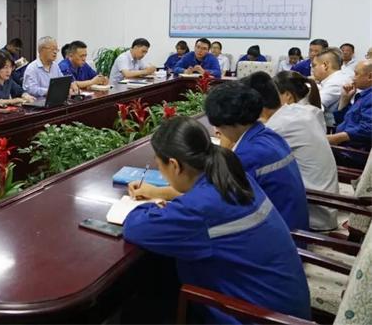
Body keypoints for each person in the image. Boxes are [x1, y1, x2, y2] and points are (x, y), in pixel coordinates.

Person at [123, 117, 310, 324]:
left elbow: (135, 227)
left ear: (174, 165)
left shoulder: (199, 209)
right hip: (286, 309)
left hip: (257, 317)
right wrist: (163, 197)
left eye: (159, 166)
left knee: (143, 302)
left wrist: (152, 206)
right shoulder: (233, 176)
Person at [204, 81, 309, 231]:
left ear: (225, 123)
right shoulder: (270, 135)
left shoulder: (247, 155)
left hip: (280, 232)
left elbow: (219, 199)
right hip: (291, 221)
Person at [242, 72, 339, 231]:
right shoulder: (300, 111)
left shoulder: (280, 126)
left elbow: (245, 154)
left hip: (313, 209)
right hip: (323, 201)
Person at [327, 60, 372, 164]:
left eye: (356, 74)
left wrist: (335, 138)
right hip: (345, 148)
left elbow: (368, 129)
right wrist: (345, 99)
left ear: (370, 76)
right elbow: (345, 121)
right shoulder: (364, 95)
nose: (353, 78)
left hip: (353, 153)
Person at [312, 49, 349, 127]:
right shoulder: (337, 77)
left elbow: (315, 105)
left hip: (334, 127)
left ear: (325, 65)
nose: (312, 70)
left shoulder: (335, 82)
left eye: (314, 65)